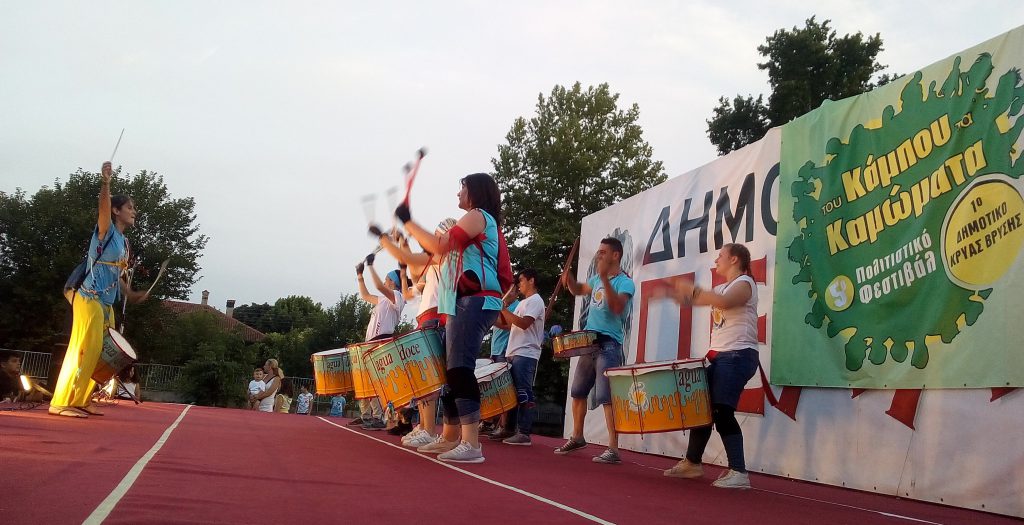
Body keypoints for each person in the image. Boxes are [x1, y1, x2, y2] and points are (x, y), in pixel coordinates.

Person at [393, 172, 511, 463]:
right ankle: (449, 436)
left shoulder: (478, 216)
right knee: (451, 373)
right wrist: (402, 237)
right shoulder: (474, 227)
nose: (458, 193)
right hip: (465, 302)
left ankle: (471, 443)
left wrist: (409, 222)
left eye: (462, 188)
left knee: (460, 370)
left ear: (475, 192)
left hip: (475, 299)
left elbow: (441, 245)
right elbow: (429, 255)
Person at [653, 243, 760, 489]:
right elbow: (697, 298)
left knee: (722, 411)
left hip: (738, 355)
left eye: (720, 256)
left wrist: (692, 289)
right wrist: (669, 291)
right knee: (701, 408)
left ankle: (739, 472)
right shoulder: (722, 287)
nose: (716, 260)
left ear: (734, 259)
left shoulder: (745, 283)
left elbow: (724, 302)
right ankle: (692, 463)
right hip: (721, 356)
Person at [50, 161, 151, 418]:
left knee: (105, 352)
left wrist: (131, 295)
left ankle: (82, 399)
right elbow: (103, 208)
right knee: (84, 347)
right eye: (129, 207)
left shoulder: (124, 242)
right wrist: (106, 184)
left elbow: (117, 275)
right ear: (116, 210)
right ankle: (62, 401)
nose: (134, 211)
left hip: (106, 302)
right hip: (89, 296)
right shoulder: (106, 231)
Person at [376, 218, 457, 449]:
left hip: (436, 316)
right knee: (423, 378)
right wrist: (403, 242)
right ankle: (424, 426)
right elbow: (413, 273)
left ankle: (429, 429)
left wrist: (402, 240)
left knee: (428, 378)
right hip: (427, 317)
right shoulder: (436, 261)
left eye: (438, 236)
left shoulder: (448, 257)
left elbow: (413, 264)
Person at [556, 237, 635, 464]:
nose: (599, 255)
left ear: (615, 255)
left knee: (606, 396)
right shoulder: (596, 279)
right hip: (588, 341)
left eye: (603, 252)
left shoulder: (625, 282)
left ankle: (613, 448)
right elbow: (579, 289)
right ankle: (577, 436)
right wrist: (570, 280)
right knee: (578, 391)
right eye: (599, 251)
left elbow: (617, 307)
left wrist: (603, 279)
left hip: (609, 343)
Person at [491, 269, 545, 446]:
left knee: (523, 392)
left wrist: (503, 308)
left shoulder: (536, 300)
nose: (518, 284)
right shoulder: (523, 303)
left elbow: (523, 323)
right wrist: (494, 314)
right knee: (513, 394)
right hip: (515, 351)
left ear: (531, 280)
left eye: (521, 280)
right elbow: (509, 324)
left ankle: (524, 432)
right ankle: (509, 428)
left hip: (526, 352)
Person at [355, 257, 406, 430]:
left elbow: (378, 286)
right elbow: (365, 295)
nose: (384, 282)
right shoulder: (383, 299)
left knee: (374, 382)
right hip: (371, 342)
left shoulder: (397, 296)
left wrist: (370, 266)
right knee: (365, 380)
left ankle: (377, 417)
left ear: (393, 282)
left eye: (386, 279)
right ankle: (366, 415)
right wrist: (360, 275)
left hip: (381, 342)